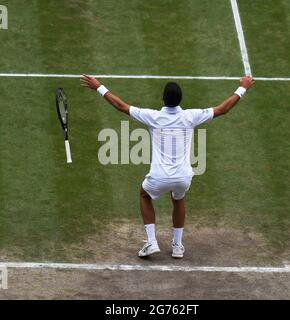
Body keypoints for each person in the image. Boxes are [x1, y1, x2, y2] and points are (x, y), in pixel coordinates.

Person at [80, 75, 255, 258]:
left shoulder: (153, 117)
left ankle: (151, 242)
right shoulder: (191, 116)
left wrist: (99, 86)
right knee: (178, 199)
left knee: (144, 195)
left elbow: (121, 106)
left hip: (159, 178)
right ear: (180, 100)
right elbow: (223, 109)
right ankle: (178, 245)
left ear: (162, 99)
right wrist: (243, 88)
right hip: (183, 178)